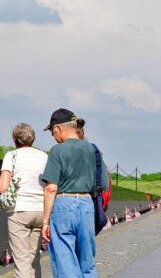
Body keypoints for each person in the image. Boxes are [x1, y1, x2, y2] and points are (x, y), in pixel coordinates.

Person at [40, 108, 109, 278]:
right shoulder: (93, 150)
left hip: (63, 207)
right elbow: (104, 185)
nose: (53, 137)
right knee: (87, 263)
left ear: (59, 128)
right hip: (87, 207)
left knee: (65, 264)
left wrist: (45, 222)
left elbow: (51, 188)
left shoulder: (57, 151)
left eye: (52, 132)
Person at [0, 123, 49, 278]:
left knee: (22, 262)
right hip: (40, 211)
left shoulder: (11, 156)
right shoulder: (44, 156)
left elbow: (2, 186)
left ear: (15, 140)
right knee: (34, 259)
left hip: (19, 212)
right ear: (33, 139)